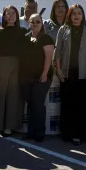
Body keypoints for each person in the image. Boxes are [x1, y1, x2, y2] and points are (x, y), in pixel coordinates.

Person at [54, 4, 86, 145]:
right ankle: (67, 133)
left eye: (79, 13)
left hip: (84, 74)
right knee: (67, 105)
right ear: (69, 15)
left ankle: (81, 134)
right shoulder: (63, 29)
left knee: (82, 106)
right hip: (66, 73)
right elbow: (57, 52)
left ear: (83, 15)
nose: (76, 16)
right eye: (74, 13)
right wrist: (59, 70)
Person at [20, 14, 54, 142]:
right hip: (27, 77)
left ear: (42, 23)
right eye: (32, 22)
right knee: (30, 105)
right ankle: (30, 132)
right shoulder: (26, 38)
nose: (35, 24)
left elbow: (48, 58)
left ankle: (39, 133)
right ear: (28, 23)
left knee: (38, 104)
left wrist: (44, 74)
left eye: (38, 22)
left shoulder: (47, 39)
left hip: (41, 77)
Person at [0, 5, 26, 136]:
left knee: (14, 96)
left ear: (17, 16)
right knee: (1, 95)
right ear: (4, 16)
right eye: (8, 13)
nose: (10, 15)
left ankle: (10, 126)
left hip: (18, 65)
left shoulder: (23, 31)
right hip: (2, 64)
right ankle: (1, 125)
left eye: (13, 13)